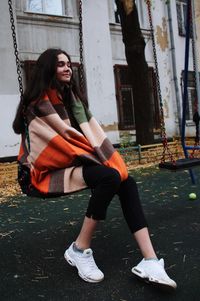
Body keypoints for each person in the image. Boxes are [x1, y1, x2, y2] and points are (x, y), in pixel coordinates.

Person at [13, 48, 177, 289]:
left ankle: (150, 259)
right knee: (110, 177)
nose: (67, 68)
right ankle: (79, 248)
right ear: (48, 68)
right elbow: (46, 151)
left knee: (125, 181)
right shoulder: (37, 105)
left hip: (73, 163)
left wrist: (92, 156)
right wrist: (87, 157)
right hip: (44, 173)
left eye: (69, 64)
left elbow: (86, 137)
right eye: (60, 64)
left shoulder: (73, 101)